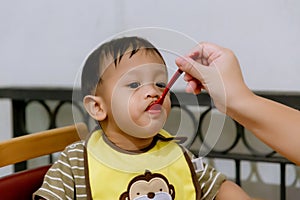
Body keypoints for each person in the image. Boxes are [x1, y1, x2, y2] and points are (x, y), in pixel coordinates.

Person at [34, 37, 252, 199]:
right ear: (98, 107)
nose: (154, 92)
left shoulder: (178, 153)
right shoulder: (76, 160)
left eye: (159, 83)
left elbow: (220, 188)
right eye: (134, 85)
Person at [175, 42, 300, 166]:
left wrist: (238, 99)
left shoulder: (181, 158)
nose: (154, 92)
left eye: (160, 85)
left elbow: (220, 183)